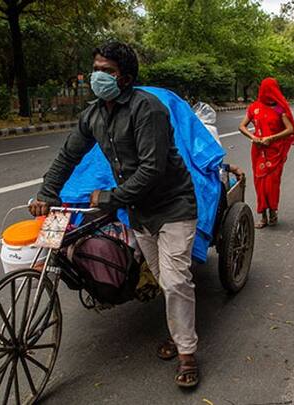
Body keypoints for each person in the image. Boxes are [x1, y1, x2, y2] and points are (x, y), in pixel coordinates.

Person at [28, 41, 201, 388]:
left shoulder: (147, 109)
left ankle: (187, 352)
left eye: (107, 71)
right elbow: (67, 156)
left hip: (173, 207)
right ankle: (178, 330)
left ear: (125, 77)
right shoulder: (93, 114)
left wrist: (109, 196)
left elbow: (152, 169)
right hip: (138, 212)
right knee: (160, 277)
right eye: (96, 69)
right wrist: (47, 192)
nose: (98, 76)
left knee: (176, 280)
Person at [238, 78, 294, 228]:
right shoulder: (254, 108)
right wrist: (254, 137)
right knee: (260, 184)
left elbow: (290, 129)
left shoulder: (279, 109)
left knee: (272, 184)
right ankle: (263, 216)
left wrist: (271, 138)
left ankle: (273, 212)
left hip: (274, 152)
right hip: (258, 152)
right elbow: (242, 126)